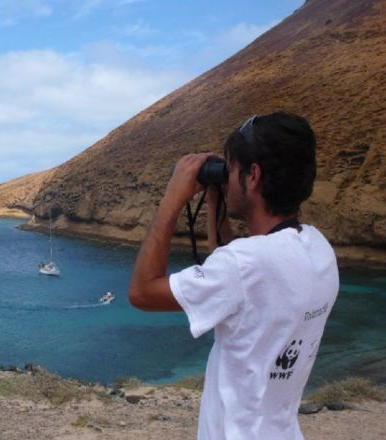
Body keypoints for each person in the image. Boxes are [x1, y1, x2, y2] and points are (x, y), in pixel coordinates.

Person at [128, 112, 339, 439]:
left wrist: (172, 198)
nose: (227, 177)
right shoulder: (318, 247)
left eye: (232, 169)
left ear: (253, 175)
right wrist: (217, 201)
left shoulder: (245, 264)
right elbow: (238, 277)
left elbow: (142, 293)